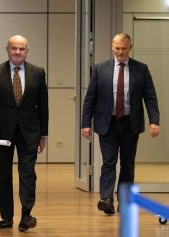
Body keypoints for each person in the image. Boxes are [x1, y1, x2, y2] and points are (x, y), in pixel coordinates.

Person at [81, 32, 160, 215]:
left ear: (130, 48)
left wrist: (154, 121)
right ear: (112, 46)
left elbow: (150, 97)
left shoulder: (141, 69)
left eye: (124, 48)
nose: (120, 52)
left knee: (127, 163)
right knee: (108, 161)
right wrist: (86, 123)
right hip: (107, 123)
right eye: (117, 48)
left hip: (130, 124)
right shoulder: (100, 69)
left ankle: (124, 200)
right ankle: (106, 199)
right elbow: (90, 99)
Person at [0, 35, 49, 232]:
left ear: (27, 51)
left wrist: (43, 134)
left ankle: (26, 215)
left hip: (30, 132)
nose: (17, 52)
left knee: (28, 174)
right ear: (7, 49)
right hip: (1, 134)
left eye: (21, 49)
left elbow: (43, 106)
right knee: (2, 175)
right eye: (14, 48)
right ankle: (6, 216)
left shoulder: (38, 72)